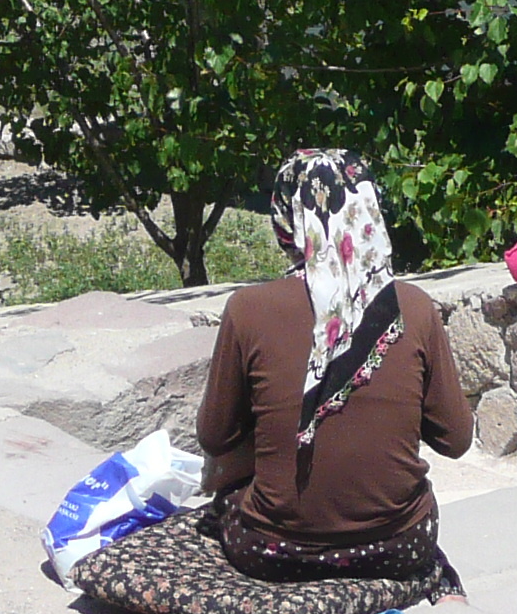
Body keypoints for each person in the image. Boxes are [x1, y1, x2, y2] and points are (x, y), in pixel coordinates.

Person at [196, 149, 471, 584]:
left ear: (287, 221)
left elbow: (215, 436)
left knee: (225, 497)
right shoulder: (414, 308)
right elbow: (455, 440)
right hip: (400, 547)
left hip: (273, 552)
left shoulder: (248, 309)